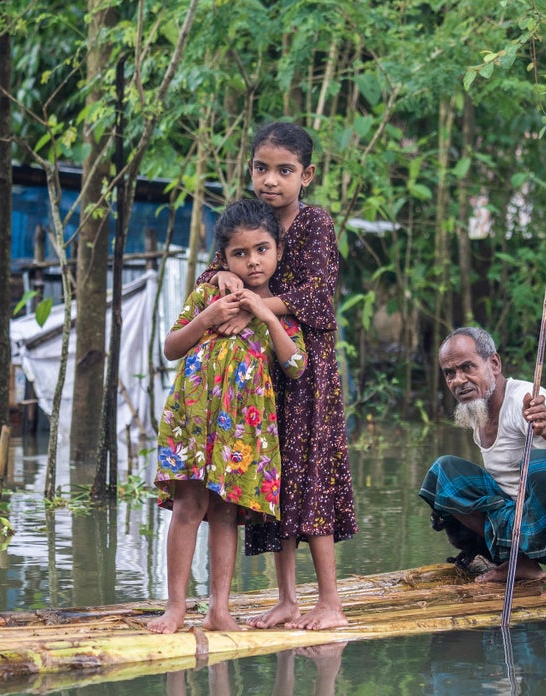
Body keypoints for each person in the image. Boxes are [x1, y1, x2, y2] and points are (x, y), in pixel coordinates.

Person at [197, 121, 357, 630]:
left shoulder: (314, 224)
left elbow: (317, 297)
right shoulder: (251, 223)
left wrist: (255, 304)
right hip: (261, 380)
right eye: (262, 169)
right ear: (250, 170)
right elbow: (211, 275)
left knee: (312, 479)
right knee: (278, 480)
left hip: (308, 374)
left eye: (284, 171)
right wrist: (220, 276)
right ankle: (287, 597)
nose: (271, 180)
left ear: (306, 175)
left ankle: (329, 600)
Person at [149, 198, 307, 634]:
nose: (252, 261)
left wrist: (263, 314)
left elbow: (296, 366)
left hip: (241, 430)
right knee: (188, 506)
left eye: (262, 249)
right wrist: (207, 318)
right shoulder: (208, 294)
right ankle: (176, 607)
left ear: (277, 251)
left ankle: (220, 608)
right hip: (195, 420)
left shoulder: (280, 308)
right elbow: (171, 348)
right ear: (224, 257)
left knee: (223, 513)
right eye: (240, 253)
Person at [419, 327, 546, 596]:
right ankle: (520, 561)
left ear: (494, 364)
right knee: (443, 473)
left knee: (537, 462)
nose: (458, 380)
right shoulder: (478, 411)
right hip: (533, 527)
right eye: (450, 373)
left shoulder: (523, 399)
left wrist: (545, 423)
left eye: (467, 367)